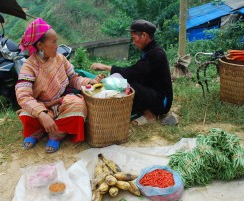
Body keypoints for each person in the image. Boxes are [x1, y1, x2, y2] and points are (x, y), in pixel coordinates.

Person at [16, 18, 102, 153]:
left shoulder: (60, 58)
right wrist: (42, 114)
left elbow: (73, 79)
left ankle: (56, 134)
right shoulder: (29, 66)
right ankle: (37, 132)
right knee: (27, 113)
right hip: (43, 106)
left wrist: (89, 82)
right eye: (54, 42)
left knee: (78, 106)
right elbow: (23, 96)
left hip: (62, 103)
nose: (57, 46)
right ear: (40, 46)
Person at [90, 19, 173, 126]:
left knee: (128, 87)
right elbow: (137, 73)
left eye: (134, 38)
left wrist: (105, 67)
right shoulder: (148, 51)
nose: (133, 42)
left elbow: (133, 72)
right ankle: (140, 109)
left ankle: (150, 114)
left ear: (144, 36)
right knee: (122, 85)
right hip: (150, 91)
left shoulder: (156, 53)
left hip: (161, 101)